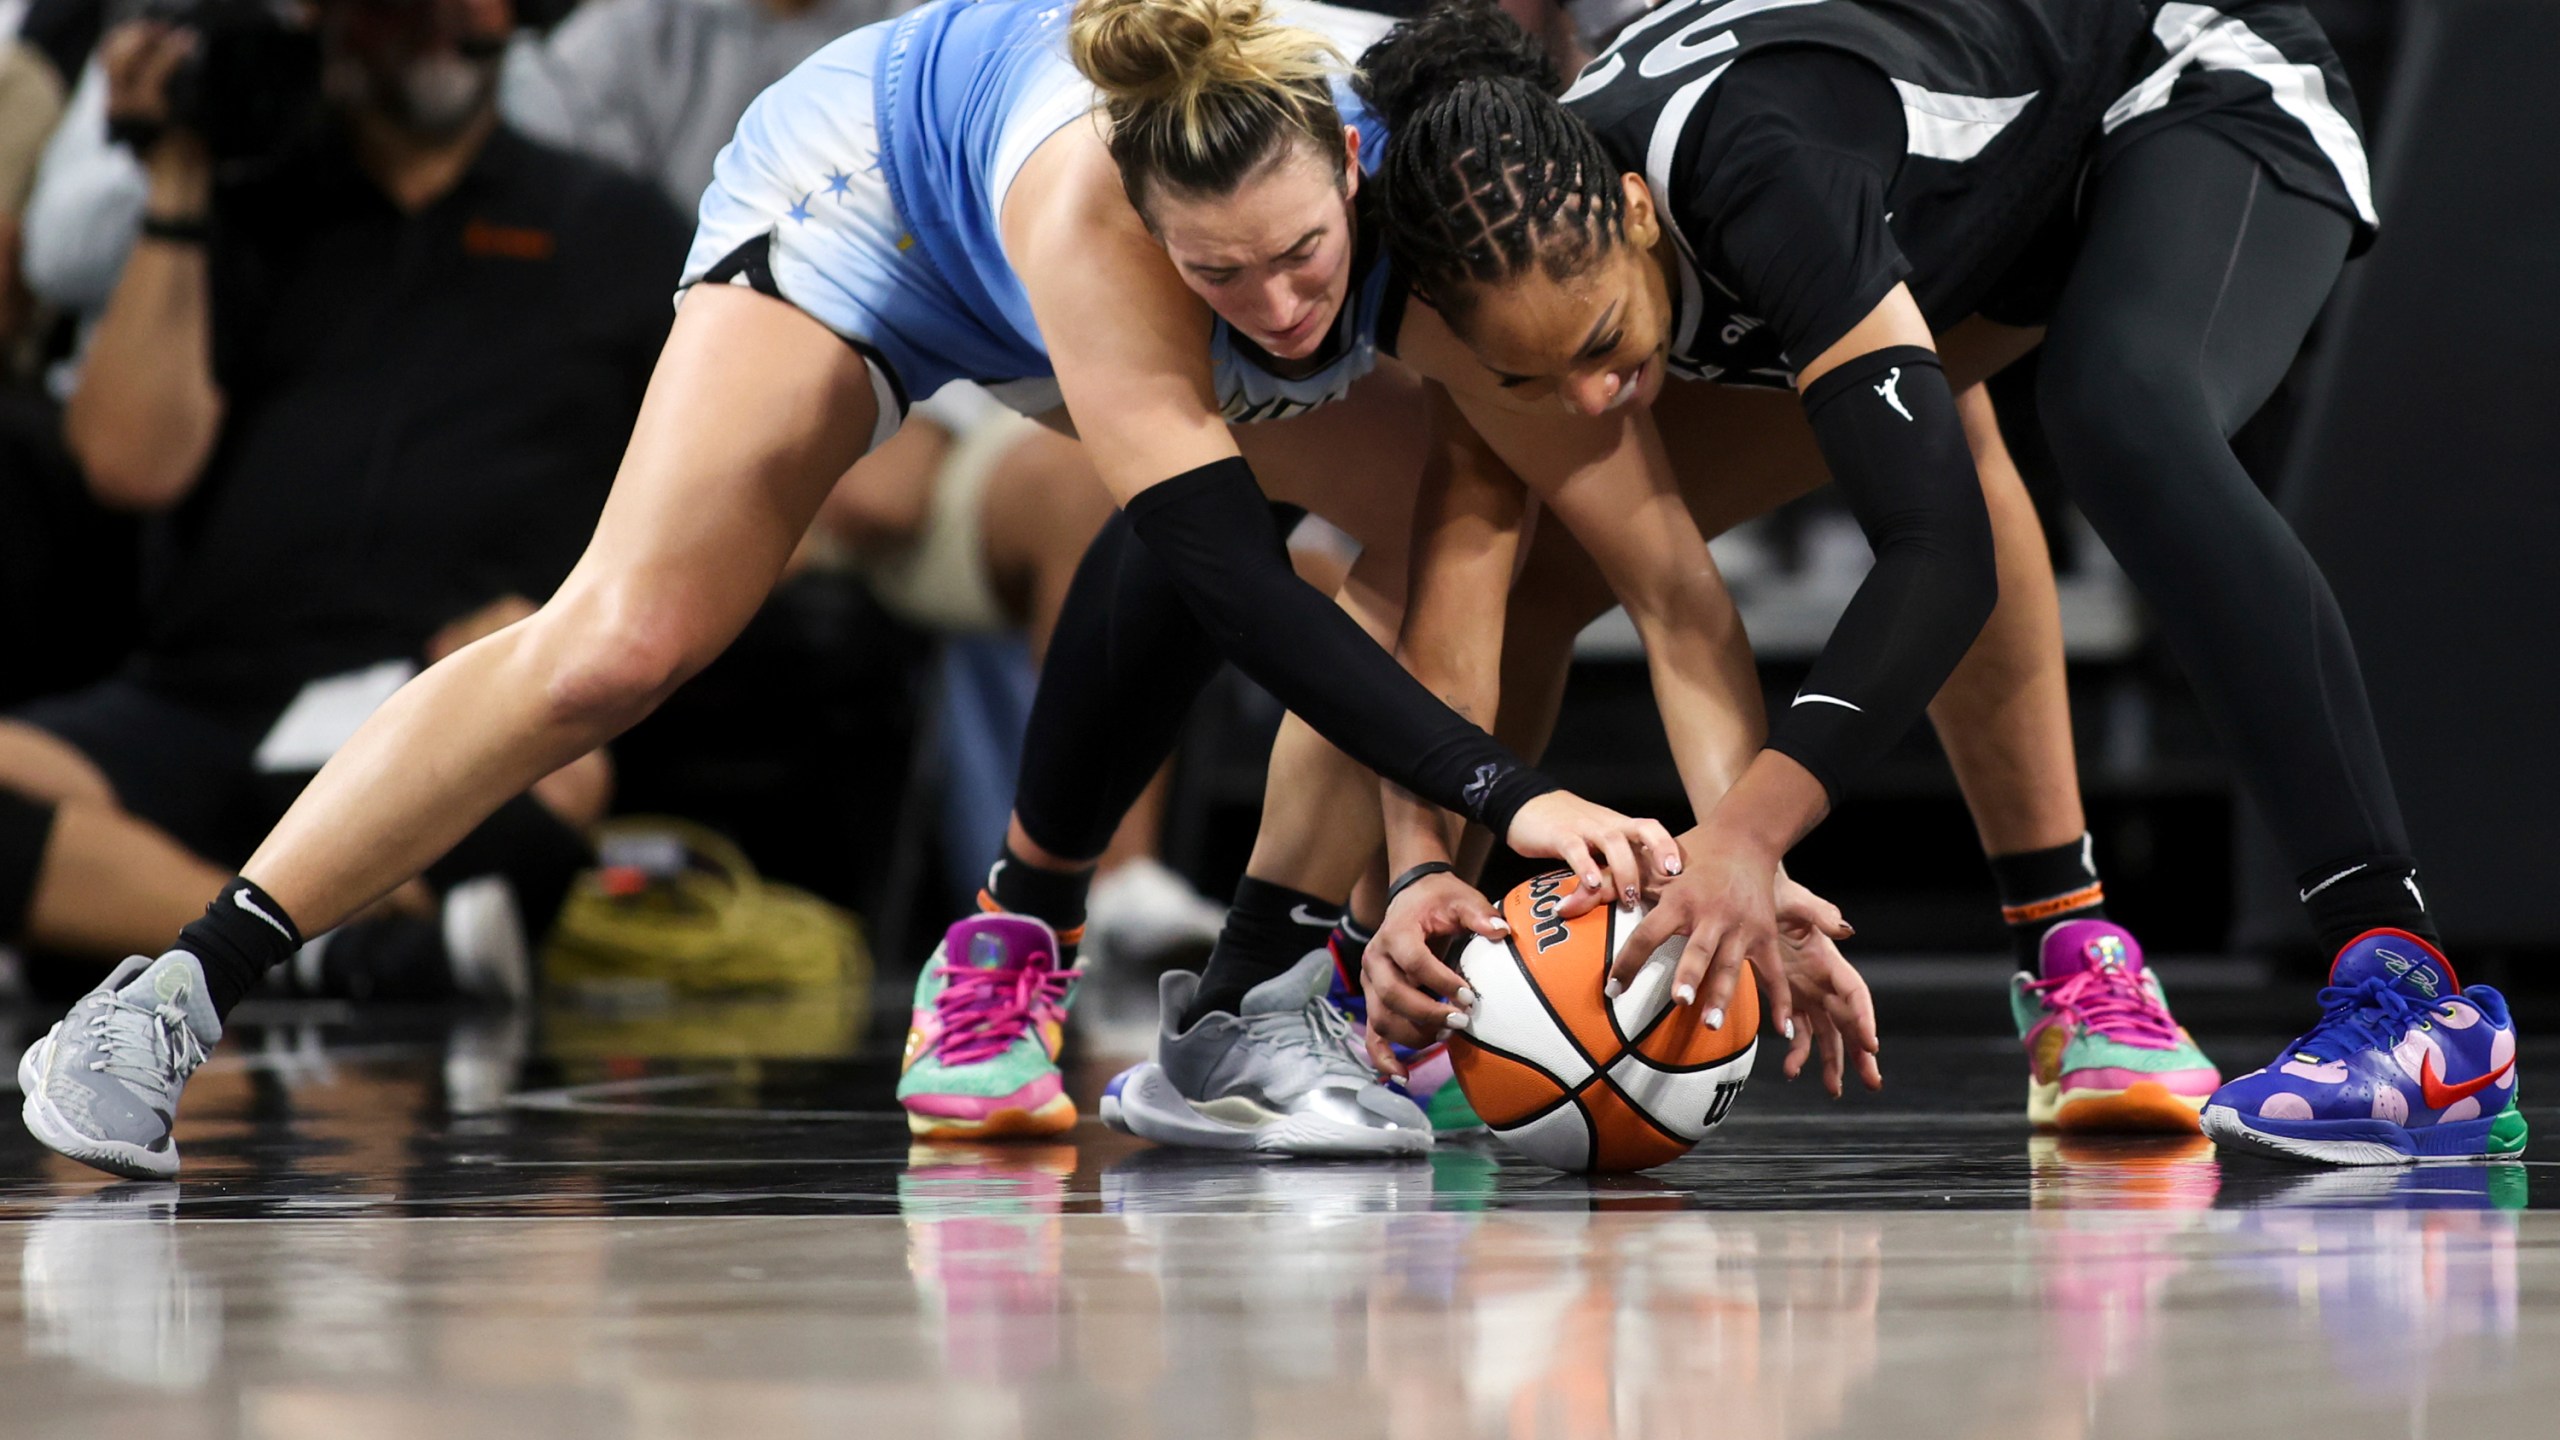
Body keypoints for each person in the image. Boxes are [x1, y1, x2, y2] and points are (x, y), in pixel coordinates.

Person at [17, 0, 1674, 1180]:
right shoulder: (1103, 223)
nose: (1285, 303)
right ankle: (171, 993)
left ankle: (1257, 1006)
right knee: (621, 642)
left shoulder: (1424, 166)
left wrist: (1427, 865)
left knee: (1442, 514)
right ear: (1159, 233)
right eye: (1224, 273)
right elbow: (1230, 579)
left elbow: (1453, 542)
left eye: (1308, 257)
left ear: (1354, 168)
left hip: (1156, 254)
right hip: (872, 193)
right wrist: (1509, 794)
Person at [1349, 0, 2522, 1166]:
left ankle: (2414, 1004)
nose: (1591, 399)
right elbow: (1487, 590)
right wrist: (1419, 885)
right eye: (1533, 377)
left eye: (1605, 341)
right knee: (1559, 559)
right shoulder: (1510, 204)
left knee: (2120, 418)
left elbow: (1936, 555)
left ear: (1638, 213)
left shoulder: (1765, 173)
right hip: (1984, 207)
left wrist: (1748, 839)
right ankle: (1413, 999)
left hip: (2184, 78)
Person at [0, 0, 678, 1016]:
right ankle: (322, 952)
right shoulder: (246, 206)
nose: (426, 26)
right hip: (203, 695)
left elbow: (713, 480)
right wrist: (179, 180)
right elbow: (126, 465)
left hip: (432, 689)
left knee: (560, 770)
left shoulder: (615, 226)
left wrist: (560, 612)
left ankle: (136, 916)